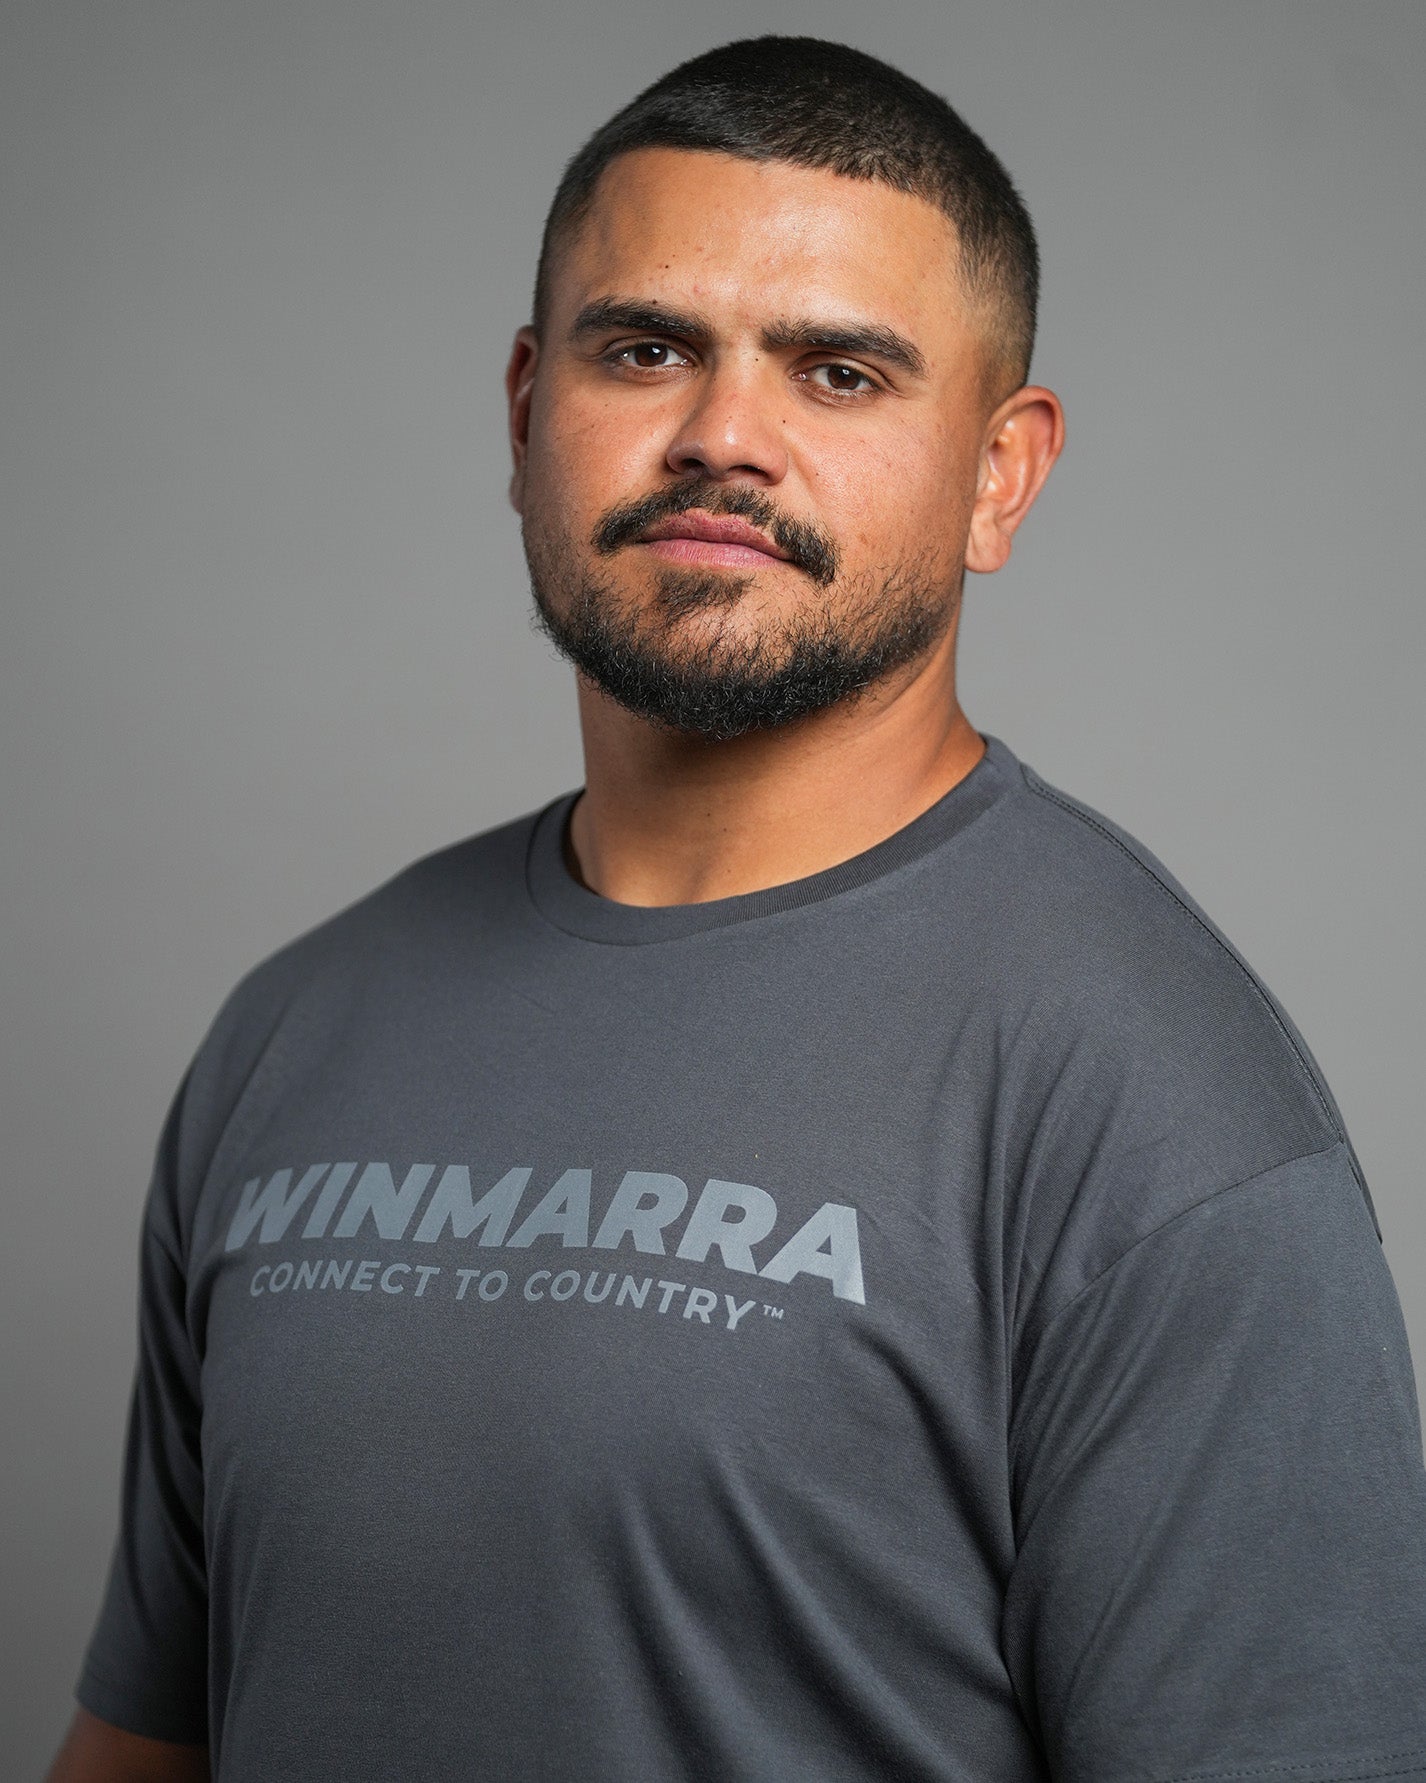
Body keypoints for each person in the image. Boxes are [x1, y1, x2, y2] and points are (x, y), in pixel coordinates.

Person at [49, 34, 1426, 1783]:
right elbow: (142, 1746)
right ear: (525, 408)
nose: (721, 438)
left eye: (838, 373)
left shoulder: (1159, 1115)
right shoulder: (300, 1027)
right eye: (645, 350)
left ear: (998, 473)